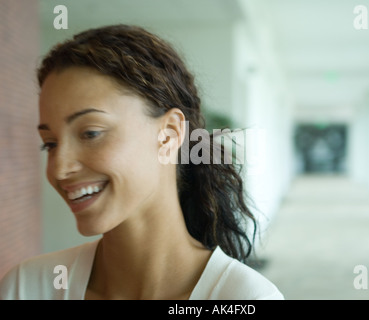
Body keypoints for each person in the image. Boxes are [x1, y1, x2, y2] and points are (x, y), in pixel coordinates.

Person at [0, 24, 284, 300]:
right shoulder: (27, 288)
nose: (59, 169)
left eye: (91, 133)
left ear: (169, 135)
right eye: (50, 144)